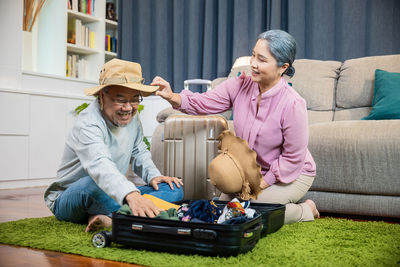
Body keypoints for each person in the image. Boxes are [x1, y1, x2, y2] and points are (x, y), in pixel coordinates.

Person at [151, 30, 319, 224]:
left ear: (283, 67)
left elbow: (292, 158)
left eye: (262, 60)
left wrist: (256, 188)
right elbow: (205, 103)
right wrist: (172, 96)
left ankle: (306, 209)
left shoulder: (293, 104)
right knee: (223, 211)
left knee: (251, 212)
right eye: (253, 55)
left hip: (291, 173)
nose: (253, 64)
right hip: (252, 171)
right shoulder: (239, 85)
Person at [44, 59, 184, 232]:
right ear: (101, 96)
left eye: (134, 100)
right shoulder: (88, 123)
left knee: (173, 188)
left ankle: (113, 217)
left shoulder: (132, 119)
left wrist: (154, 177)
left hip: (110, 192)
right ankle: (138, 213)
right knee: (92, 184)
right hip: (72, 197)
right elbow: (100, 166)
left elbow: (139, 151)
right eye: (120, 100)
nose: (128, 108)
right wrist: (132, 196)